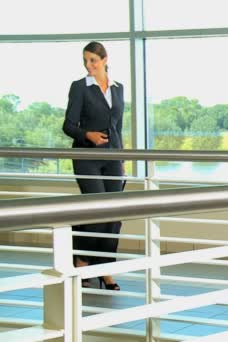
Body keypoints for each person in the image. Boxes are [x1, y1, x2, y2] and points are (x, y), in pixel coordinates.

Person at [62, 41, 125, 290]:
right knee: (96, 212)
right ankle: (83, 260)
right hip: (87, 157)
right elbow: (68, 126)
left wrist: (122, 159)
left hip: (113, 159)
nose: (89, 65)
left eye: (93, 60)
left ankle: (105, 268)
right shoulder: (80, 87)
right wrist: (88, 135)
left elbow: (118, 128)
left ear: (105, 59)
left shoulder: (119, 89)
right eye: (86, 60)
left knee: (114, 217)